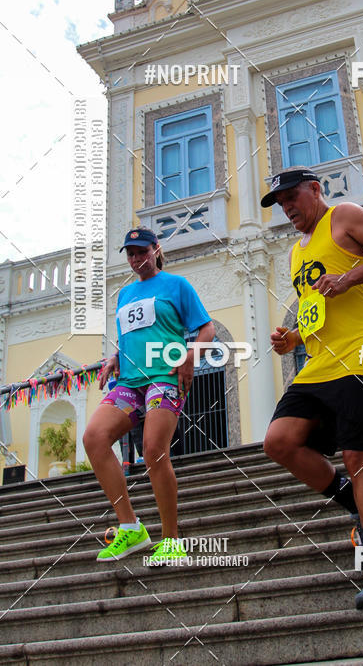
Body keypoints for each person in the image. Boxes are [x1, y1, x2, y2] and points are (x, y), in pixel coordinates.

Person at [261, 167, 363, 610]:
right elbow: (317, 305)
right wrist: (292, 337)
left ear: (315, 190)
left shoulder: (344, 216)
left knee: (357, 456)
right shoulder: (296, 252)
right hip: (320, 361)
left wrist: (347, 278)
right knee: (279, 441)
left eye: (292, 197)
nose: (287, 208)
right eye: (280, 203)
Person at [83, 227, 214, 564]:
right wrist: (114, 358)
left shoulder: (177, 285)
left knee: (154, 449)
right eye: (130, 253)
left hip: (165, 376)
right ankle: (130, 528)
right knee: (94, 437)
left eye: (141, 251)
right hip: (129, 381)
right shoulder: (124, 295)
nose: (136, 258)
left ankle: (171, 540)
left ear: (156, 250)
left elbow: (207, 328)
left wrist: (190, 356)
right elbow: (133, 337)